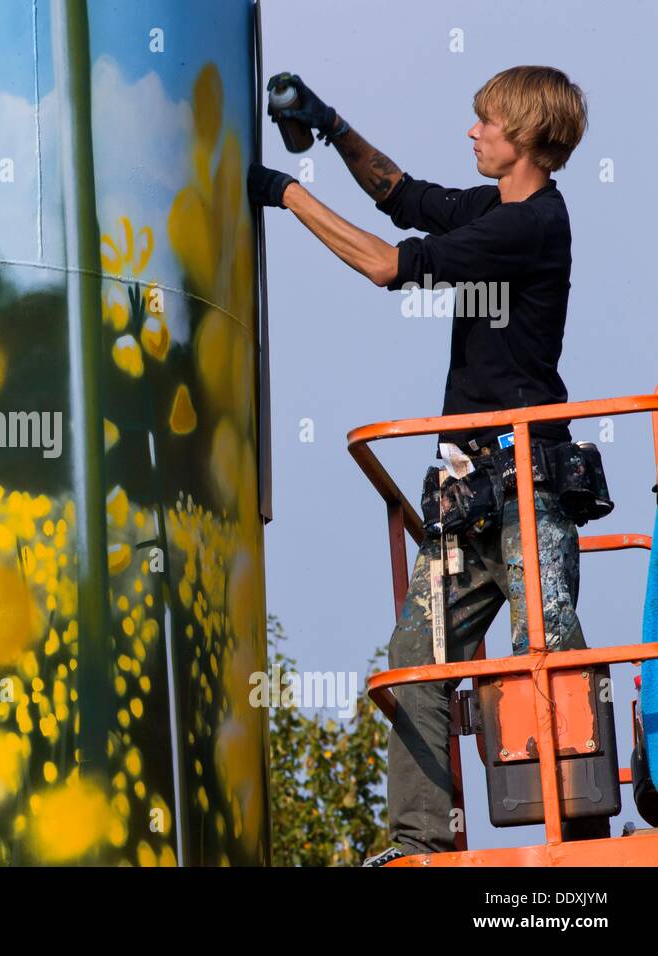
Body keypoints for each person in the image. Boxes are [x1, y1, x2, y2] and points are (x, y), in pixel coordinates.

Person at [248, 66, 603, 863]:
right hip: (468, 486)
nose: (473, 132)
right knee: (416, 657)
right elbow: (404, 198)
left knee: (545, 645)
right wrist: (331, 125)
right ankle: (420, 845)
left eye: (486, 124)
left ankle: (576, 832)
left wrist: (284, 195)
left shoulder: (532, 225)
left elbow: (386, 265)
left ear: (525, 138)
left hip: (525, 482)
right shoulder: (493, 207)